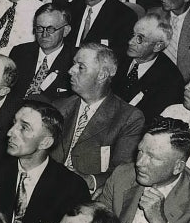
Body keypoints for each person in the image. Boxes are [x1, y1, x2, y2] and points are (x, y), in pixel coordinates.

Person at [51, 42, 145, 194]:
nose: (70, 71)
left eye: (80, 67)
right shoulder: (59, 106)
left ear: (102, 75)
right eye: (74, 64)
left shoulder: (128, 118)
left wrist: (89, 180)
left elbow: (123, 172)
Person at [112, 13, 184, 121]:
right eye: (133, 35)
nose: (130, 42)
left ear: (157, 46)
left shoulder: (171, 80)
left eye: (140, 39)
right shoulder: (116, 56)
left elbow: (151, 122)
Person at [9, 3, 75, 98]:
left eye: (51, 29)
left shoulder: (74, 61)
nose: (44, 35)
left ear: (66, 31)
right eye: (40, 28)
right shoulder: (20, 52)